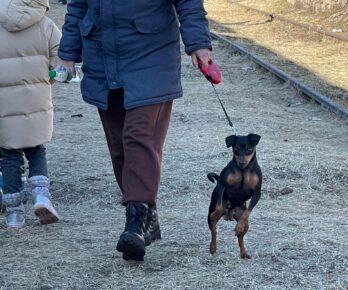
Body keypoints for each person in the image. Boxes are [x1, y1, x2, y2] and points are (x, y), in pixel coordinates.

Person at [58, 0, 213, 261]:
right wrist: (68, 52)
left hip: (152, 56)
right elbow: (78, 6)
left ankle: (135, 221)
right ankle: (146, 217)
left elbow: (188, 2)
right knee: (120, 149)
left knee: (138, 137)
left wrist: (198, 43)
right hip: (102, 58)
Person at [0, 0, 61, 229]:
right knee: (36, 148)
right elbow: (60, 60)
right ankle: (41, 196)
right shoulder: (46, 25)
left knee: (9, 154)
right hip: (37, 98)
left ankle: (15, 213)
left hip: (3, 103)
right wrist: (49, 77)